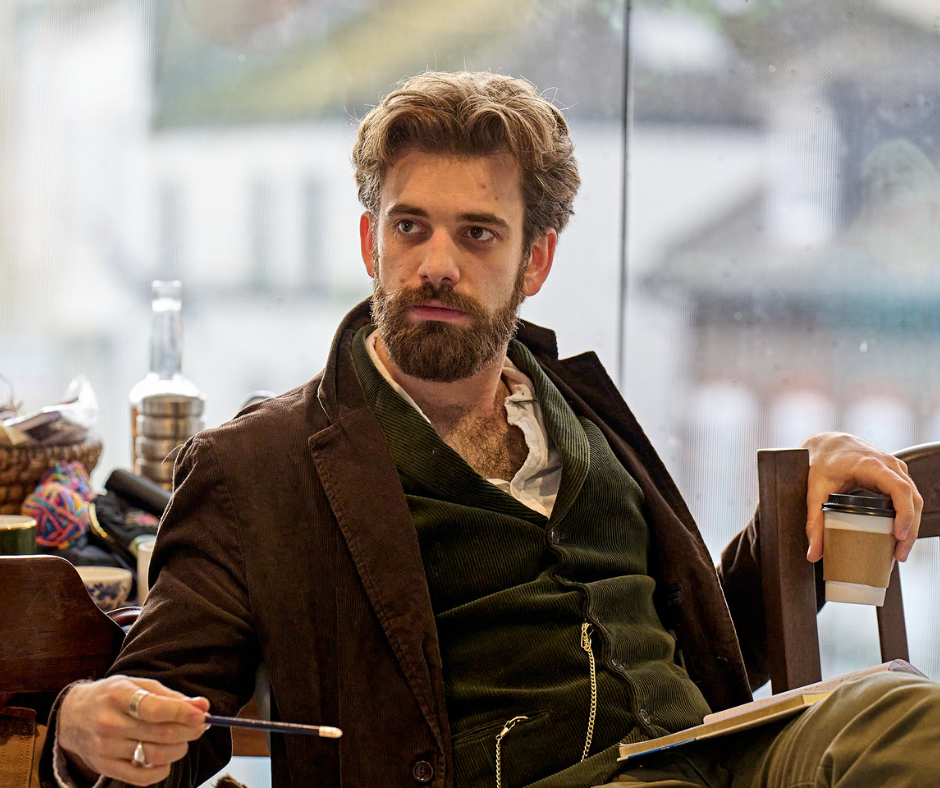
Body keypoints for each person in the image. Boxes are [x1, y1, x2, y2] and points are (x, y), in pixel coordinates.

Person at [48, 71, 935, 788]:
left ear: (535, 259)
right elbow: (162, 711)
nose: (436, 263)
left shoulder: (582, 404)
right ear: (370, 244)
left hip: (714, 750)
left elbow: (701, 645)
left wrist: (798, 512)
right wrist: (84, 725)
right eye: (411, 227)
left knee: (906, 715)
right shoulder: (260, 465)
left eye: (477, 234)